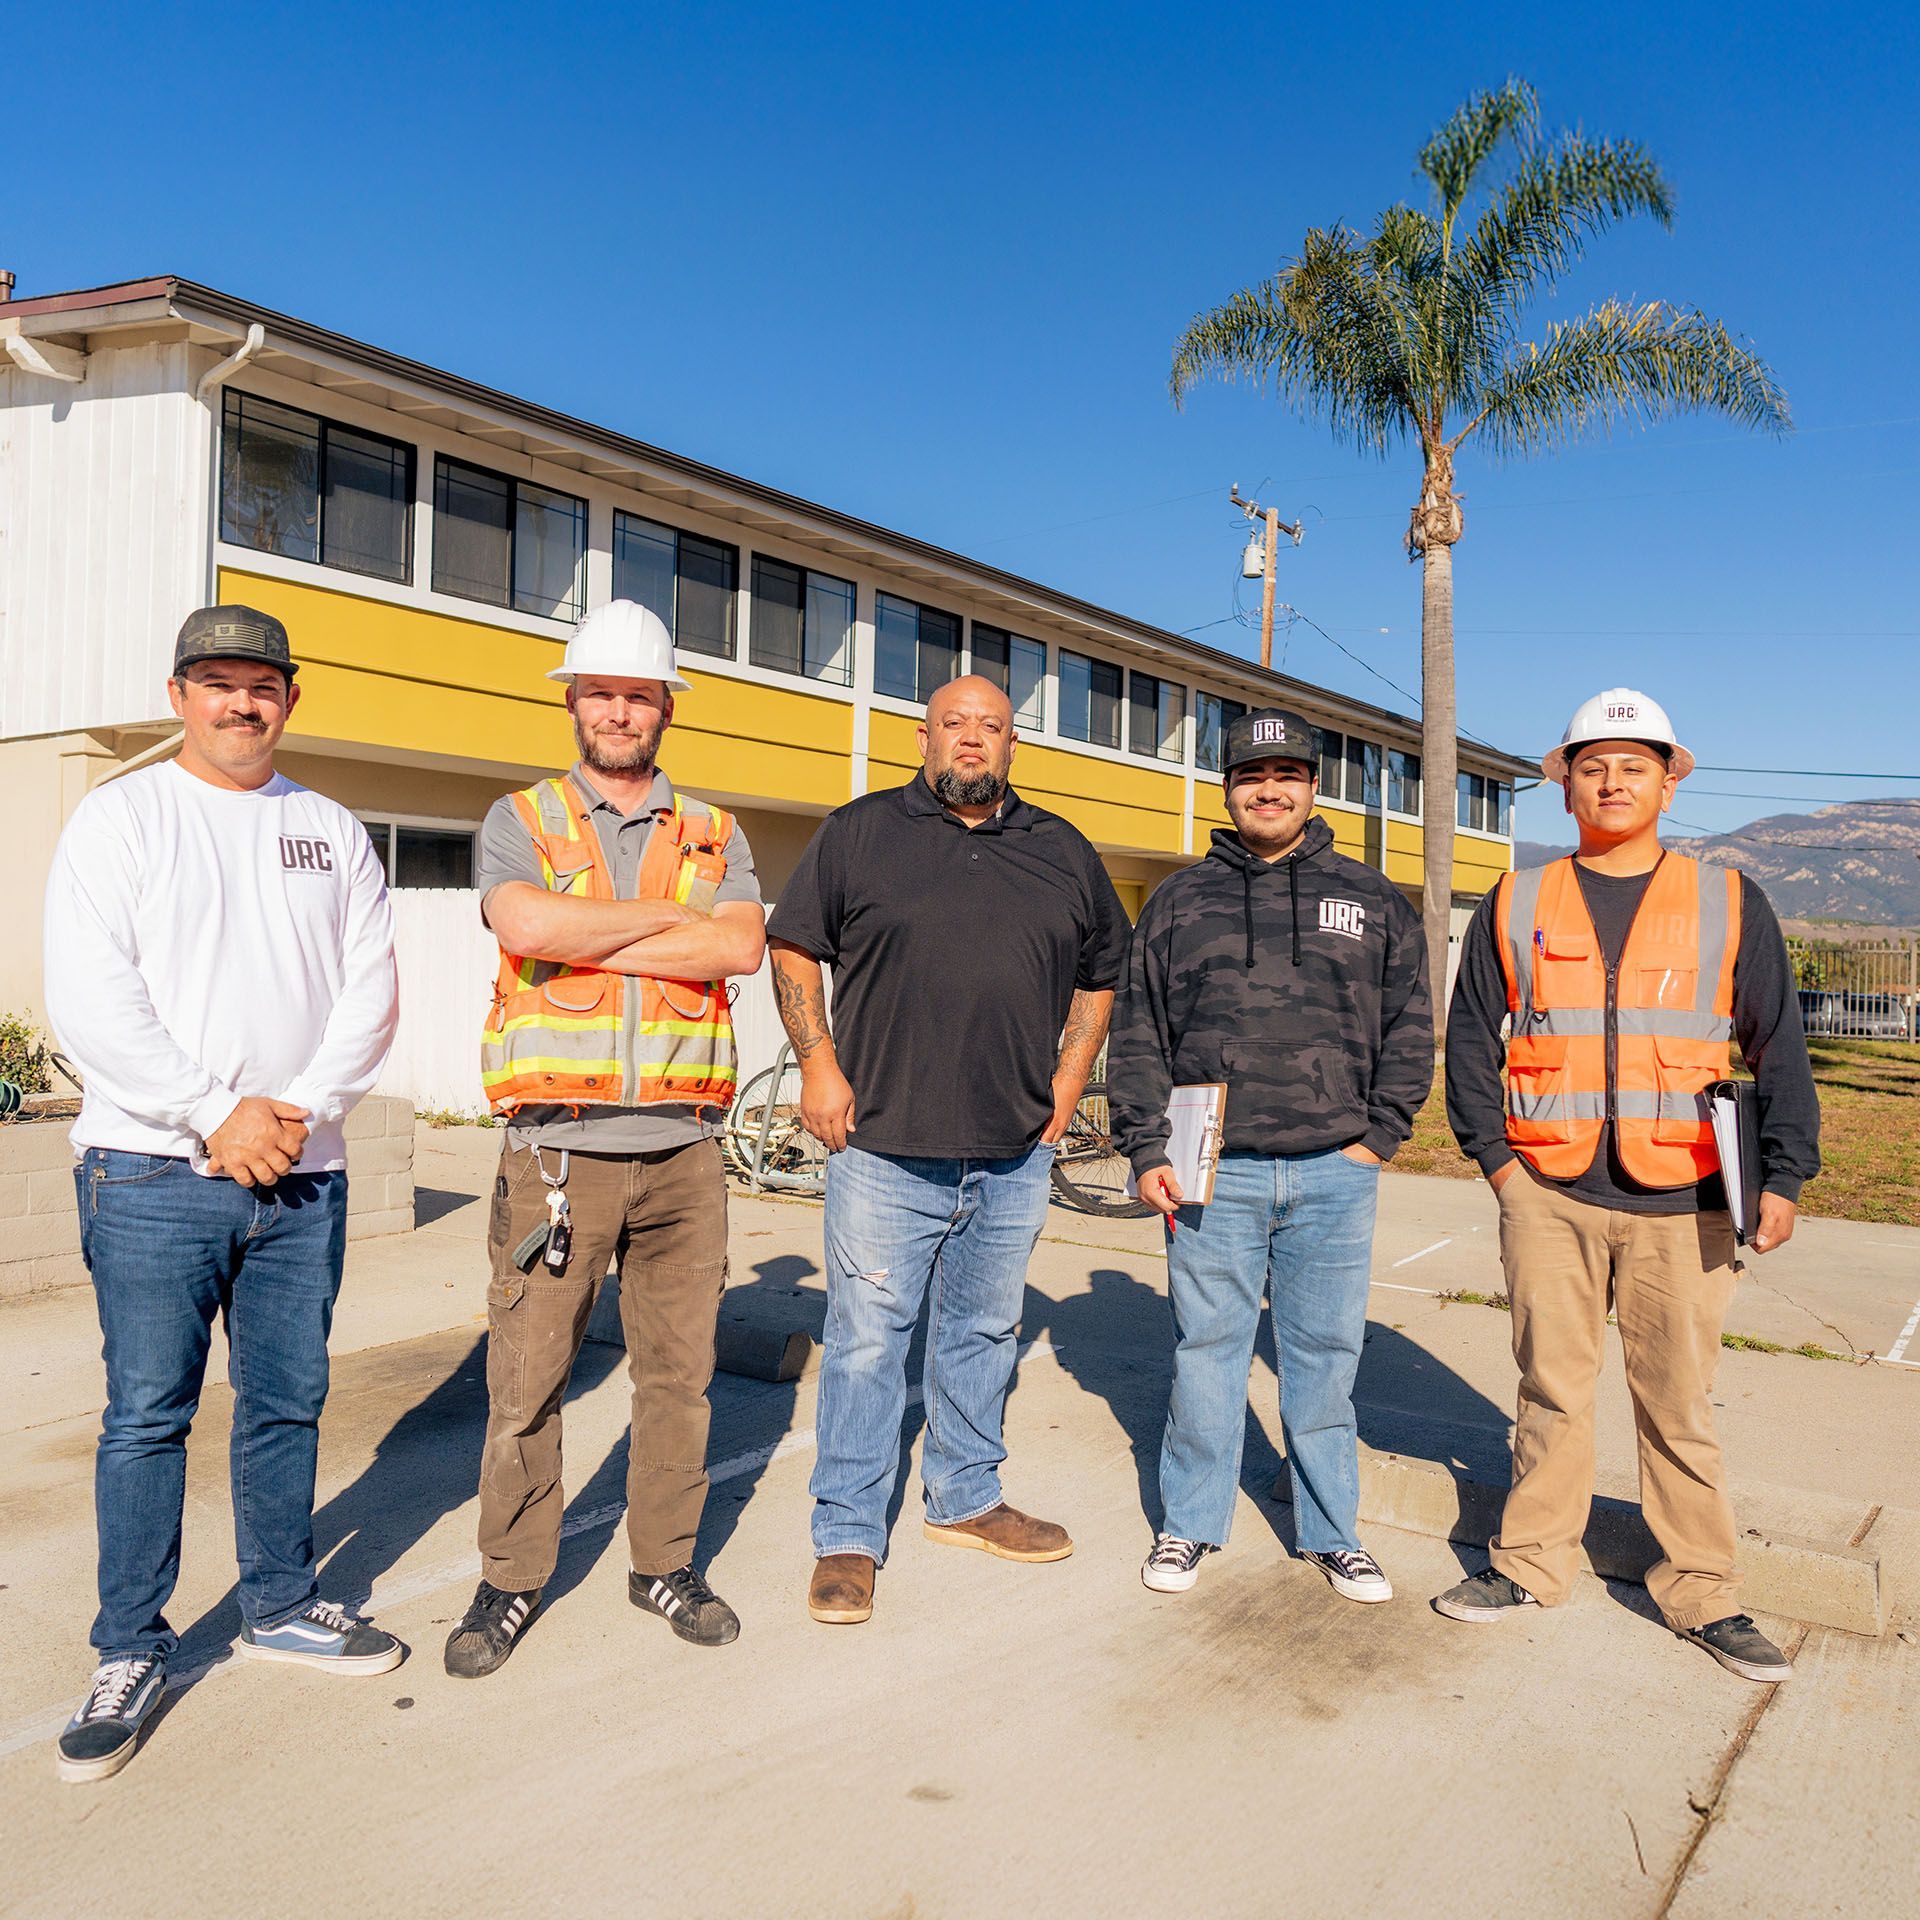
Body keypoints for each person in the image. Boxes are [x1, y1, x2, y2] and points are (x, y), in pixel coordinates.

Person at [42, 605, 402, 1784]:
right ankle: (128, 1647)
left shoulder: (331, 828)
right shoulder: (121, 818)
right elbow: (92, 997)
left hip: (304, 1170)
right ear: (178, 692)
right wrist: (215, 1111)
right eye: (217, 682)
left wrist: (295, 1107)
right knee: (148, 1413)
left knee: (287, 1401)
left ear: (289, 699)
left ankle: (280, 1602)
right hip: (151, 1168)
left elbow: (370, 990)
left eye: (261, 685)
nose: (240, 703)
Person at [1434, 688, 1820, 1683]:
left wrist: (1784, 1175)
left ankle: (1703, 1593)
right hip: (1548, 1193)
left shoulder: (1729, 898)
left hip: (1684, 1198)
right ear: (1565, 784)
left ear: (1666, 780)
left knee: (1678, 1403)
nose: (1612, 781)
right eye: (1593, 764)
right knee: (1551, 1391)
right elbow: (1471, 1038)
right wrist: (1498, 1165)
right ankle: (1530, 1566)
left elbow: (1781, 1047)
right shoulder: (1518, 900)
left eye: (1633, 764)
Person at [444, 600, 766, 1678]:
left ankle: (663, 1563)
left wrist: (602, 940)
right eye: (601, 692)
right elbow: (525, 928)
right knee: (527, 1381)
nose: (619, 710)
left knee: (679, 1380)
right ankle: (513, 1578)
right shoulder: (520, 817)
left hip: (683, 1151)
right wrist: (672, 934)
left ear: (666, 705)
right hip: (558, 1151)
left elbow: (739, 949)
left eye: (638, 693)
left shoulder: (717, 831)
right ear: (573, 701)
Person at [768, 675, 1130, 1625]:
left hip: (1013, 1152)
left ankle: (966, 1499)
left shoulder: (1062, 850)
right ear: (924, 738)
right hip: (884, 1145)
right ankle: (847, 1535)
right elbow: (795, 946)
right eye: (955, 725)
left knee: (982, 1334)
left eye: (993, 727)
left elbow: (1103, 971)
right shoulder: (860, 833)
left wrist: (1069, 1070)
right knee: (864, 1347)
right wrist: (817, 1064)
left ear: (1014, 745)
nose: (973, 740)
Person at [1110, 708, 1433, 1601]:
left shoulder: (1370, 898)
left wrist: (1379, 1139)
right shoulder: (1178, 901)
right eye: (1253, 775)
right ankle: (1189, 1525)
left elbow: (1412, 1023)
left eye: (1287, 773)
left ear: (1313, 786)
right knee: (1206, 1351)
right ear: (1228, 787)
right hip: (1212, 1168)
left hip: (1336, 1169)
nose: (1270, 788)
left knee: (1323, 1357)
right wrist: (1145, 1149)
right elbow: (1139, 1032)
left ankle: (1333, 1532)